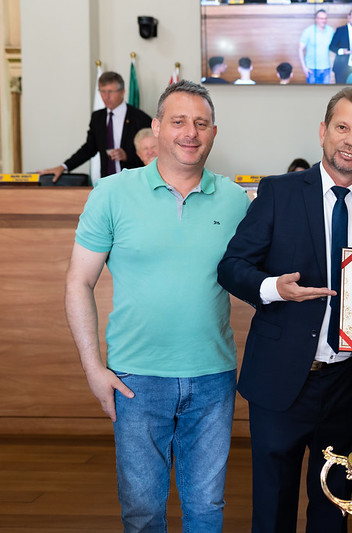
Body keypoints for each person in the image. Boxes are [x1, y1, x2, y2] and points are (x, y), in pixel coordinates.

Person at [64, 80, 251, 531]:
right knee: (143, 512)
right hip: (136, 380)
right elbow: (78, 281)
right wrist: (93, 368)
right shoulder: (110, 193)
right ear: (157, 128)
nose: (191, 132)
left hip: (213, 379)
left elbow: (260, 278)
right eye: (179, 121)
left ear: (214, 132)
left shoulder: (235, 199)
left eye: (201, 123)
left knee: (206, 509)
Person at [217, 87, 352, 533]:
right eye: (342, 128)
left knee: (333, 505)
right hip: (280, 380)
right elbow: (231, 267)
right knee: (273, 506)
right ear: (323, 132)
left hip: (345, 384)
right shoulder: (279, 193)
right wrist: (273, 289)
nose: (350, 141)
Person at [37, 71, 151, 183]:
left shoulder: (140, 118)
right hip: (107, 183)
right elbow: (89, 148)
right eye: (103, 91)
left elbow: (154, 154)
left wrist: (127, 156)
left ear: (122, 92)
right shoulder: (98, 118)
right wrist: (63, 167)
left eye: (111, 91)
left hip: (134, 182)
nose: (106, 97)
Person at [299, 10, 335, 85]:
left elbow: (335, 47)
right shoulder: (308, 31)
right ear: (316, 19)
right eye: (321, 18)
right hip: (311, 69)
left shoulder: (331, 30)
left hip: (326, 68)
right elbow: (300, 49)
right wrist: (304, 67)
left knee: (325, 94)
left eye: (325, 18)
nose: (324, 20)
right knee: (312, 94)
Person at [329, 9, 352, 85]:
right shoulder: (340, 30)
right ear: (349, 17)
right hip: (340, 67)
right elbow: (331, 46)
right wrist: (342, 51)